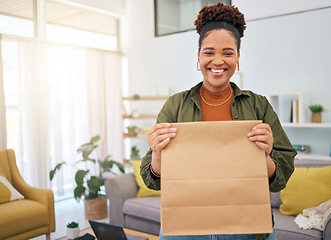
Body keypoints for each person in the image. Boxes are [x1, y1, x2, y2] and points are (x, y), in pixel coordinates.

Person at [140, 2, 296, 240]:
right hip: (186, 228)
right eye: (209, 52)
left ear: (238, 58)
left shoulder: (258, 105)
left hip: (247, 227)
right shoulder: (176, 105)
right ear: (199, 57)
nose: (218, 61)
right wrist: (158, 155)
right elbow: (153, 180)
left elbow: (281, 177)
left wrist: (264, 157)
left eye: (228, 53)